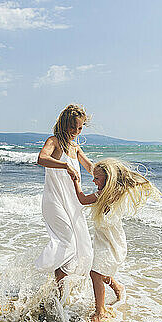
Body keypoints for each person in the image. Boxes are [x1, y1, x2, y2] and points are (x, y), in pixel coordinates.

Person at [72, 158, 161, 322]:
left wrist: (76, 182)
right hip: (102, 239)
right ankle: (117, 287)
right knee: (101, 271)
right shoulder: (107, 191)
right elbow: (92, 175)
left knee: (95, 273)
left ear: (108, 179)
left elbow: (82, 199)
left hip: (112, 242)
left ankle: (100, 312)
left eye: (97, 178)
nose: (93, 180)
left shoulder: (110, 193)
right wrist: (78, 154)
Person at [35, 104, 94, 298]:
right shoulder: (54, 141)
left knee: (79, 245)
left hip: (72, 202)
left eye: (80, 128)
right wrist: (64, 166)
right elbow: (41, 158)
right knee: (66, 241)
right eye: (73, 127)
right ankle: (55, 290)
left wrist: (113, 177)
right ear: (64, 124)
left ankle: (58, 294)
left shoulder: (75, 147)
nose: (76, 132)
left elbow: (90, 167)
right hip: (54, 201)